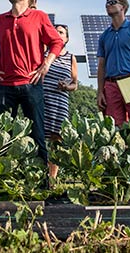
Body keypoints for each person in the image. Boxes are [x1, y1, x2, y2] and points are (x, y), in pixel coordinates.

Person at [0, 0, 64, 164]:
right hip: (4, 86)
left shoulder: (39, 16)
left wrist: (46, 65)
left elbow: (56, 42)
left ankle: (41, 184)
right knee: (2, 135)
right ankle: (5, 182)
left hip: (31, 85)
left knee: (37, 134)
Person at [43, 23, 78, 179]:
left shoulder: (71, 58)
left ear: (67, 38)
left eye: (61, 32)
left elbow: (75, 84)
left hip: (60, 101)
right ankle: (39, 174)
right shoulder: (43, 53)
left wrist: (67, 86)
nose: (58, 34)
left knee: (57, 139)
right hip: (42, 99)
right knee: (39, 136)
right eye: (55, 31)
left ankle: (52, 178)